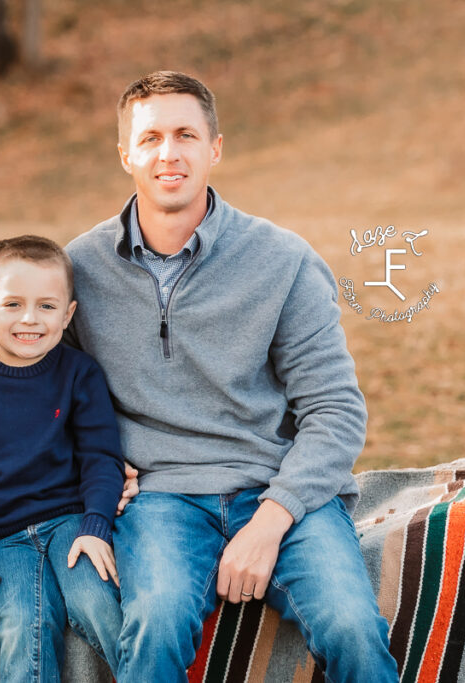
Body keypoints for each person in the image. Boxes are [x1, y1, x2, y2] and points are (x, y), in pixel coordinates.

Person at [64, 71, 399, 682]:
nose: (169, 153)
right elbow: (35, 387)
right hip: (160, 498)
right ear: (125, 154)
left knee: (353, 626)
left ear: (215, 147)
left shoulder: (283, 260)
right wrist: (91, 467)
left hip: (279, 491)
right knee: (156, 622)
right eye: (151, 138)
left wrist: (271, 520)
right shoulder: (78, 270)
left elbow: (335, 411)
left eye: (187, 135)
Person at [0, 236, 126, 682]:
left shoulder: (78, 373)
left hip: (71, 524)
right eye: (12, 304)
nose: (29, 319)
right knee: (21, 626)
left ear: (68, 314)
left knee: (99, 604)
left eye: (47, 307)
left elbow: (101, 457)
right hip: (2, 536)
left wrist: (96, 525)